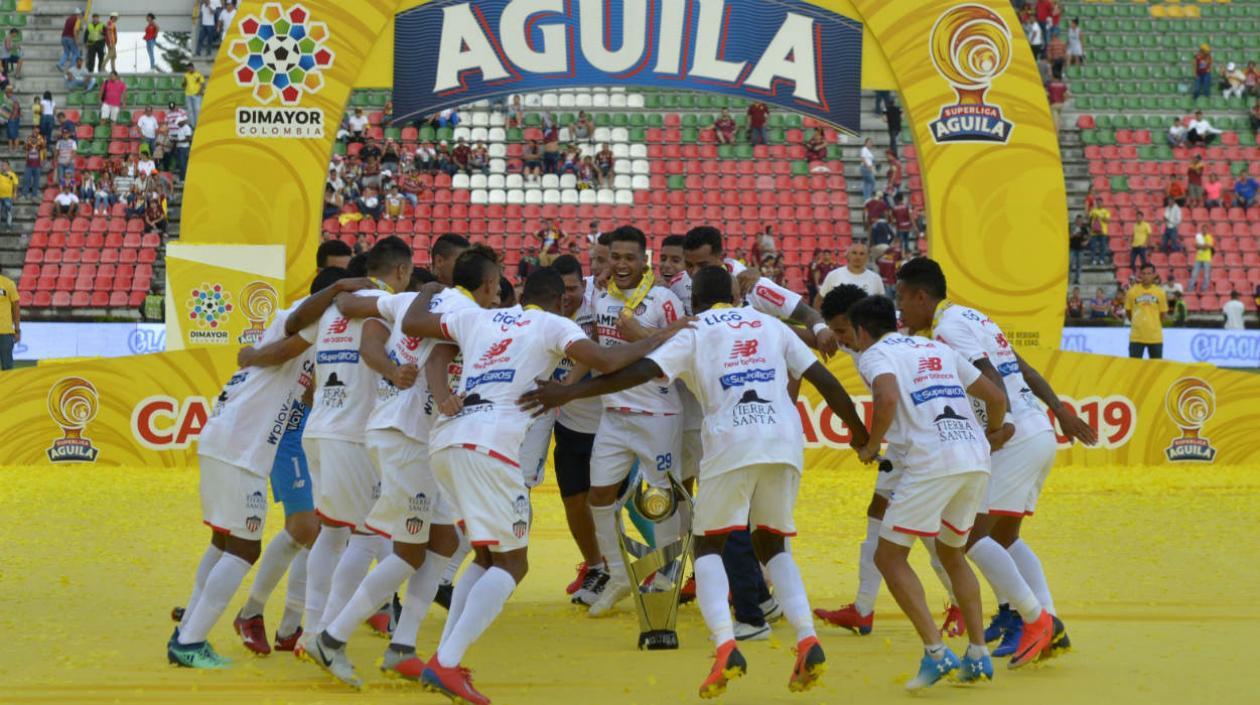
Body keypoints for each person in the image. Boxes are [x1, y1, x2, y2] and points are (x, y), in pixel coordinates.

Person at [524, 266, 868, 697]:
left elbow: (637, 373)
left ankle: (725, 646)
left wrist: (569, 393)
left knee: (708, 545)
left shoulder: (695, 329)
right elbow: (827, 381)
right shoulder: (769, 325)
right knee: (773, 543)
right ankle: (806, 637)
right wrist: (860, 436)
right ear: (734, 296)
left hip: (731, 443)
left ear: (696, 301)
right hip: (783, 444)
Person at [399, 267, 679, 704]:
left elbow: (414, 326)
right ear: (559, 300)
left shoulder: (480, 317)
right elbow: (605, 361)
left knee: (486, 553)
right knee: (513, 566)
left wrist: (430, 289)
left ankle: (445, 656)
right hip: (489, 447)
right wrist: (663, 335)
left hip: (449, 440)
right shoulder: (552, 323)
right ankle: (447, 664)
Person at [298, 242, 485, 686]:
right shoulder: (456, 310)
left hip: (397, 435)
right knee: (385, 543)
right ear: (491, 286)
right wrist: (433, 391)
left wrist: (389, 363)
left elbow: (353, 314)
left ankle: (401, 645)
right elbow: (435, 356)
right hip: (398, 437)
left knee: (444, 541)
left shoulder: (405, 300)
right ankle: (328, 636)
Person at [169, 269, 371, 668]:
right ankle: (192, 641)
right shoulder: (300, 316)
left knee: (225, 542)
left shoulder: (311, 335)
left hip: (228, 440)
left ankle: (189, 628)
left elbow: (301, 379)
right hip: (239, 446)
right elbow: (288, 341)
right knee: (244, 548)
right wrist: (336, 291)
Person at [897, 258, 1086, 661]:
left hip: (1017, 436)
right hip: (1038, 430)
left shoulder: (948, 329)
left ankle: (1039, 622)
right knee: (1006, 538)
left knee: (968, 537)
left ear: (920, 295)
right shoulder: (974, 316)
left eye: (901, 299)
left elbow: (993, 383)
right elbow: (1021, 367)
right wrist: (1058, 409)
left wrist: (996, 432)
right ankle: (1044, 621)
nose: (900, 310)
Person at [846, 294, 1008, 689]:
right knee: (953, 553)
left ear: (862, 331)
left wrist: (872, 445)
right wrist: (991, 434)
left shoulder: (874, 354)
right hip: (973, 458)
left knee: (889, 556)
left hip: (932, 461)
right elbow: (996, 397)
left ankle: (936, 653)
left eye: (850, 333)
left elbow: (886, 397)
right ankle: (978, 654)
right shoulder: (935, 347)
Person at [1125, 264, 1168, 359]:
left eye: (1149, 273)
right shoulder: (1132, 292)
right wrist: (1137, 322)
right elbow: (1128, 311)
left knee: (1156, 368)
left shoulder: (1160, 292)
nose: (1146, 276)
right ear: (1140, 275)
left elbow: (1163, 313)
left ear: (1153, 275)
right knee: (1134, 368)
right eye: (1143, 274)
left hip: (1155, 337)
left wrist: (1154, 323)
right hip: (1137, 336)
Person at [818, 242, 884, 301]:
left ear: (867, 257)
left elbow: (882, 305)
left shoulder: (876, 278)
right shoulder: (833, 275)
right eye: (854, 253)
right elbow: (819, 300)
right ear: (848, 255)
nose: (857, 257)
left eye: (862, 254)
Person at [0, 268, 17, 370]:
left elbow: (16, 305)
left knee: (7, 367)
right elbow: (16, 306)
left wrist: (17, 329)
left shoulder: (8, 284)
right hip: (5, 331)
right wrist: (17, 329)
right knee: (7, 368)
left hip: (5, 331)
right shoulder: (9, 284)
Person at [1087, 197, 1111, 265]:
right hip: (1094, 232)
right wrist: (1093, 213)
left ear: (1102, 203)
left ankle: (1101, 259)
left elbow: (1108, 221)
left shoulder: (1106, 211)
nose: (1099, 203)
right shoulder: (1093, 210)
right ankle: (1093, 259)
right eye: (1097, 202)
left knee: (1103, 246)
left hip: (1103, 232)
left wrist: (1101, 217)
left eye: (1100, 202)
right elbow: (1089, 218)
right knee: (1093, 246)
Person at [1068, 214, 1087, 284]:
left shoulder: (1084, 228)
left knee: (1079, 265)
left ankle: (1077, 279)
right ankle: (1068, 278)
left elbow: (1088, 236)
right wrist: (1074, 235)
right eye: (1078, 220)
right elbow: (1067, 237)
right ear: (1075, 220)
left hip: (1080, 249)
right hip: (1072, 248)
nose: (1079, 222)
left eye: (1080, 221)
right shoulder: (1072, 227)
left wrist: (1086, 242)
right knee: (1070, 264)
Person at [0, 160, 16, 228]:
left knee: (8, 211)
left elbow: (15, 184)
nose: (3, 166)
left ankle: (9, 224)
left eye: (5, 165)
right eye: (2, 165)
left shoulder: (12, 174)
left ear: (8, 166)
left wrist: (15, 193)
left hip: (8, 196)